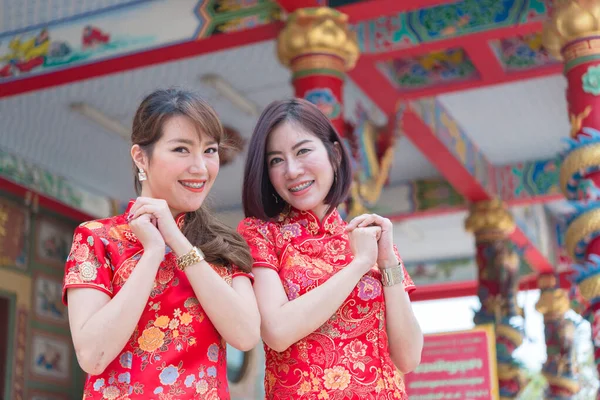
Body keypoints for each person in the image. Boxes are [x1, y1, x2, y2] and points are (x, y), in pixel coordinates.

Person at [62, 88, 260, 399]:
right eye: (182, 149)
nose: (200, 167)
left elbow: (245, 335)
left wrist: (178, 243)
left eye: (209, 150)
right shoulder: (97, 239)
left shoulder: (226, 245)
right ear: (141, 156)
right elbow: (93, 356)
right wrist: (153, 252)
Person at [238, 98, 423, 399]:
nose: (292, 170)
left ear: (334, 153)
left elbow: (408, 357)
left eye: (302, 151)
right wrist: (360, 264)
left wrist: (388, 262)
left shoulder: (369, 237)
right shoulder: (260, 233)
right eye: (276, 160)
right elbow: (277, 331)